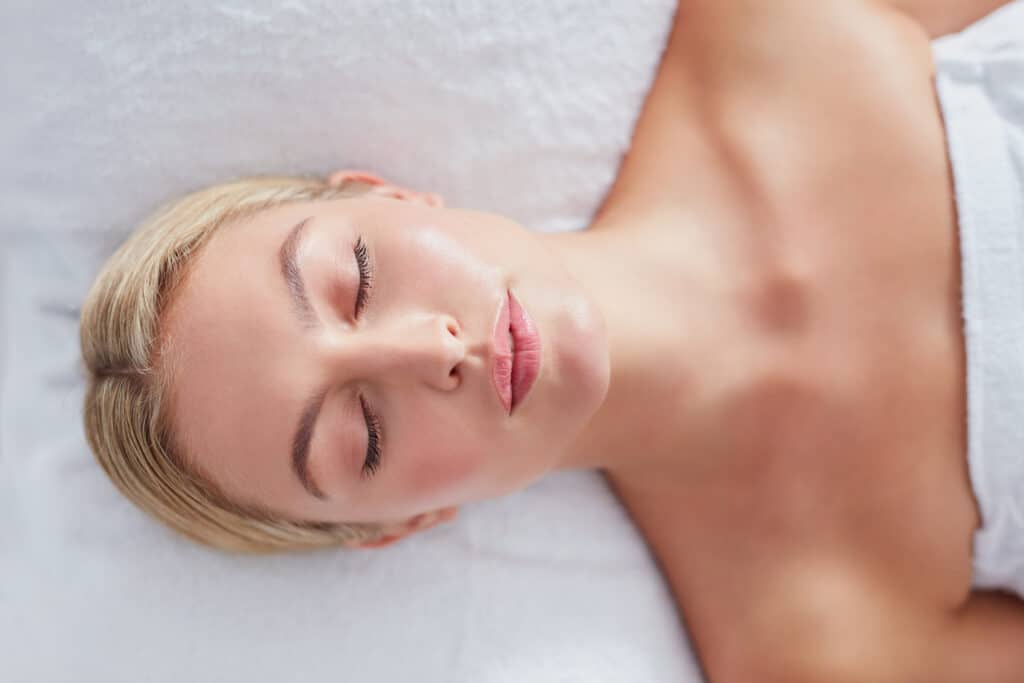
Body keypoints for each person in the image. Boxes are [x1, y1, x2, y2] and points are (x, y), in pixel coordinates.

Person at [80, 1, 1024, 680]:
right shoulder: (815, 639)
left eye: (357, 280)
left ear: (387, 195)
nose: (429, 351)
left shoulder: (776, 28)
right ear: (408, 522)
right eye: (361, 437)